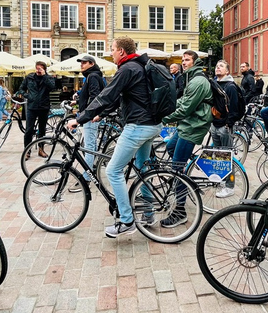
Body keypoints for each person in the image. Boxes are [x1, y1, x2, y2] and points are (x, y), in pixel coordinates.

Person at [67, 37, 161, 238]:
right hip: (152, 124)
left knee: (113, 170)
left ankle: (127, 221)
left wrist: (81, 118)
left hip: (138, 125)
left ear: (122, 51)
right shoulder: (139, 66)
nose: (111, 53)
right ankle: (149, 212)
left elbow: (106, 95)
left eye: (113, 49)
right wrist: (101, 113)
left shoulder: (127, 68)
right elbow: (121, 97)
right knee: (142, 168)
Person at [161, 51, 212, 226]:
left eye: (187, 60)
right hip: (186, 124)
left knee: (177, 168)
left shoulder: (198, 81)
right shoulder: (190, 78)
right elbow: (182, 102)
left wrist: (164, 119)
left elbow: (187, 108)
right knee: (170, 147)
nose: (184, 62)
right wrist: (166, 108)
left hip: (193, 126)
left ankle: (180, 211)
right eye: (182, 60)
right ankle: (187, 176)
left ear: (195, 62)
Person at [68, 55, 106, 192]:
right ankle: (91, 172)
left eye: (84, 63)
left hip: (90, 117)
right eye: (81, 63)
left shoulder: (93, 76)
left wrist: (88, 114)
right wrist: (78, 102)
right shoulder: (93, 75)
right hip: (91, 115)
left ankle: (86, 179)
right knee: (92, 146)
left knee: (89, 148)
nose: (81, 65)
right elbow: (89, 96)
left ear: (92, 63)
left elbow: (95, 96)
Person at [209, 60, 243, 198]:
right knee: (218, 156)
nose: (218, 67)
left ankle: (230, 186)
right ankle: (222, 181)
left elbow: (234, 108)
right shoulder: (215, 84)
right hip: (215, 124)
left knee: (227, 158)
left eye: (221, 66)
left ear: (227, 71)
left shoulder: (230, 86)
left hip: (224, 126)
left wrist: (228, 123)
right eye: (217, 65)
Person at [16, 61, 56, 157]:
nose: (38, 70)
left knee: (42, 130)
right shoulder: (29, 78)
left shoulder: (49, 78)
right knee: (29, 130)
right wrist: (27, 96)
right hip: (32, 107)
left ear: (44, 69)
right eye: (37, 68)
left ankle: (41, 150)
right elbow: (21, 89)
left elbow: (52, 87)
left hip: (44, 107)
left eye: (40, 68)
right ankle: (27, 151)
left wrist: (45, 76)